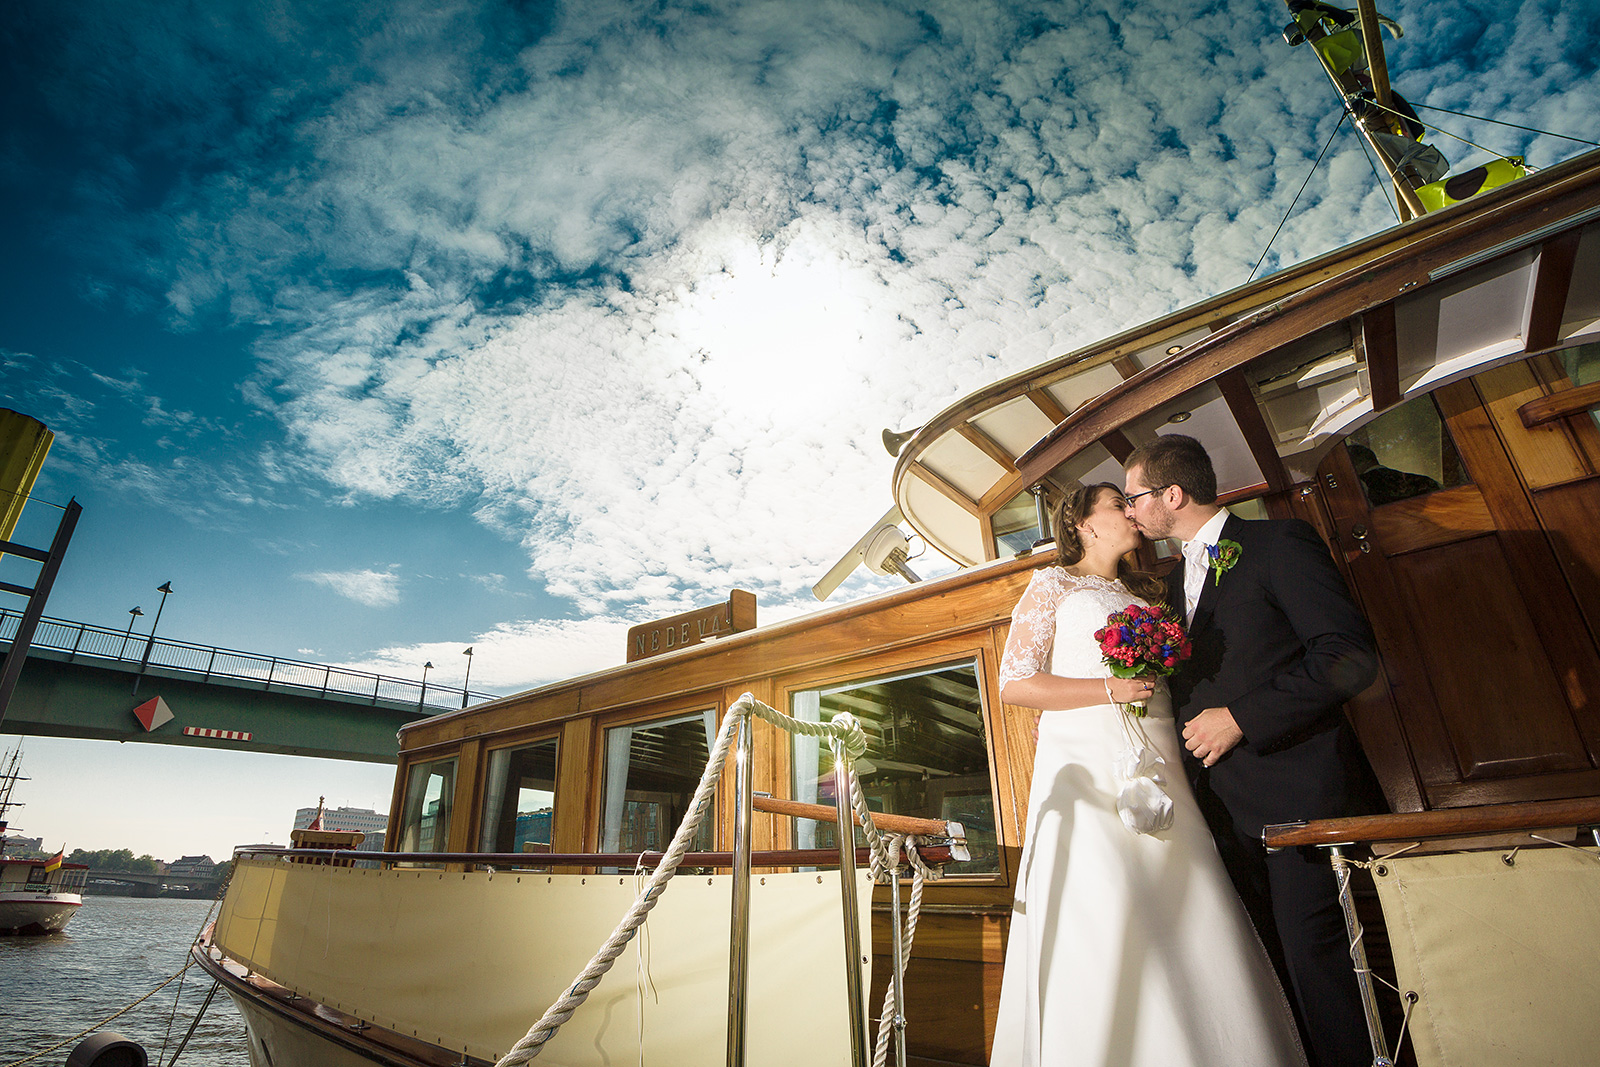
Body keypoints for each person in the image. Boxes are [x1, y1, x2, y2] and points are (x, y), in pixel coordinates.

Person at [990, 482, 1305, 1067]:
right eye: (1118, 503)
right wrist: (1106, 689)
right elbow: (1015, 683)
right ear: (1083, 522)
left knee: (1184, 884)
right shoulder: (1051, 584)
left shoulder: (1153, 592)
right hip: (1091, 755)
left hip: (1163, 754)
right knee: (1110, 892)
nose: (1131, 513)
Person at [1122, 434, 1379, 1067]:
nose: (1130, 513)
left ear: (1171, 495)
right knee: (1267, 976)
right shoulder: (1171, 581)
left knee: (1323, 970)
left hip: (1302, 803)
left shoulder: (1277, 544)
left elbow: (1349, 657)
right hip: (1220, 817)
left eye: (1134, 499)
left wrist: (1241, 717)